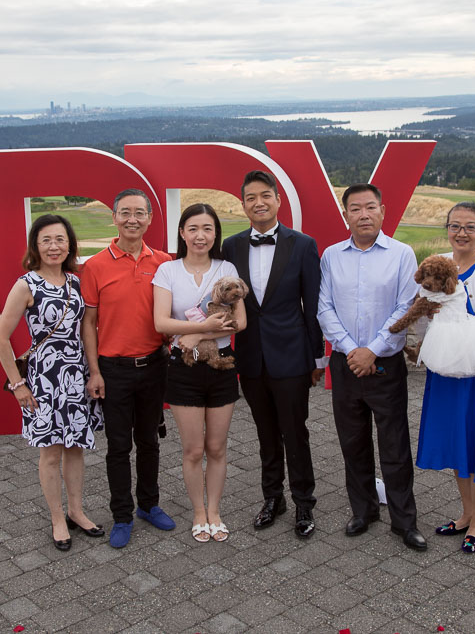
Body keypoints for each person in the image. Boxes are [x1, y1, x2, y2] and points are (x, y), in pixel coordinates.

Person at [317, 183, 427, 551]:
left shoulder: (401, 254)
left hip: (386, 365)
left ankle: (404, 521)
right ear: (346, 214)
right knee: (353, 442)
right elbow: (324, 309)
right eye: (355, 208)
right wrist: (352, 351)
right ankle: (363, 511)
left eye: (370, 207)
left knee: (394, 444)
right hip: (346, 362)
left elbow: (405, 308)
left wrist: (372, 351)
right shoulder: (332, 256)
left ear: (383, 210)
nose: (363, 214)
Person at [222, 170, 325, 538]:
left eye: (265, 195)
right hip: (250, 358)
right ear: (244, 204)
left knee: (294, 432)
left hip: (293, 356)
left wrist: (318, 360)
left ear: (278, 200)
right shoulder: (231, 247)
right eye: (251, 197)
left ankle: (304, 504)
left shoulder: (303, 244)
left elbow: (312, 306)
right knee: (265, 432)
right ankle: (273, 498)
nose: (259, 203)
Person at [0, 214, 104, 552]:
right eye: (46, 240)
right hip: (43, 380)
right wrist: (17, 385)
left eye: (60, 239)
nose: (54, 246)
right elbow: (0, 338)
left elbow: (87, 330)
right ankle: (57, 517)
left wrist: (95, 371)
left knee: (75, 448)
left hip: (76, 375)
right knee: (51, 452)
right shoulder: (26, 284)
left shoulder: (76, 282)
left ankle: (76, 510)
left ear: (69, 243)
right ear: (36, 246)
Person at [81, 188, 176, 549]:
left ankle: (148, 505)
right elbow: (89, 323)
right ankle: (122, 514)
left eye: (139, 213)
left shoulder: (164, 263)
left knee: (149, 441)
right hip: (113, 369)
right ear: (115, 217)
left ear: (150, 218)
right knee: (119, 446)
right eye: (125, 213)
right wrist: (95, 372)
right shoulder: (95, 266)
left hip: (154, 365)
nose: (132, 219)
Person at [415, 201, 475, 553]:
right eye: (456, 226)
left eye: (471, 227)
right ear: (448, 229)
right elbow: (426, 312)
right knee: (458, 442)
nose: (462, 233)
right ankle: (466, 514)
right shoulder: (438, 265)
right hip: (446, 372)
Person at [153, 203, 246, 543]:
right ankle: (198, 512)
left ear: (215, 234)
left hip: (221, 364)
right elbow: (160, 322)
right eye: (193, 228)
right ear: (182, 233)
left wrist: (198, 334)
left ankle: (216, 511)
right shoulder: (167, 271)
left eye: (207, 229)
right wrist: (202, 328)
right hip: (183, 368)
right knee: (193, 450)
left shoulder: (226, 268)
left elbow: (240, 322)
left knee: (217, 447)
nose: (200, 236)